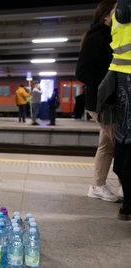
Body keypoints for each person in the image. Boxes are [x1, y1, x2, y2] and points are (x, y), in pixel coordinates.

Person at [76, 0, 119, 202]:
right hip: (103, 102)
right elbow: (83, 71)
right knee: (122, 143)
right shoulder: (98, 37)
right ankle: (122, 187)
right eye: (116, 10)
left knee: (107, 145)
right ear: (106, 16)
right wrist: (108, 85)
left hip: (106, 101)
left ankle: (98, 185)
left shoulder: (107, 35)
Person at [106, 0, 131, 219]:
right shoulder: (122, 8)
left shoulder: (120, 9)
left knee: (124, 150)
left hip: (123, 79)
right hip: (123, 79)